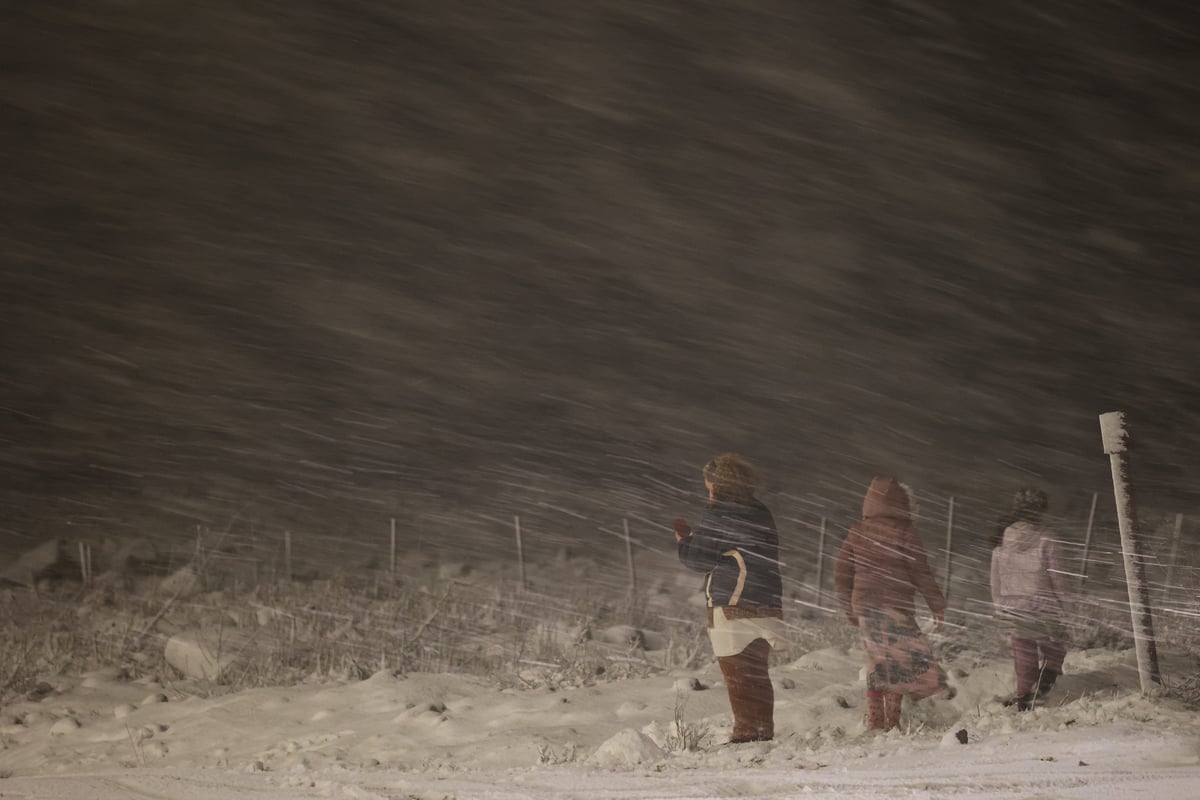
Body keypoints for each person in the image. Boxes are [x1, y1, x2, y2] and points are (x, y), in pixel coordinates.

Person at [675, 453, 785, 744]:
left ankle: (747, 735)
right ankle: (762, 732)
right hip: (767, 599)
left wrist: (685, 542)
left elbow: (700, 559)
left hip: (735, 601)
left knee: (737, 674)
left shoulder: (721, 512)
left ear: (718, 485)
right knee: (757, 674)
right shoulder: (760, 510)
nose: (707, 490)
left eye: (709, 485)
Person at [834, 477, 949, 732]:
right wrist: (936, 604)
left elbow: (841, 572)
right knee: (897, 663)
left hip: (866, 609)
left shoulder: (857, 532)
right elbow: (921, 573)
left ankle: (876, 721)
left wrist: (849, 607)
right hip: (896, 607)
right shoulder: (905, 533)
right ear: (902, 505)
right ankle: (892, 721)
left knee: (877, 661)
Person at [990, 487, 1069, 710]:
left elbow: (994, 577)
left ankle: (1025, 695)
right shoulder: (1048, 539)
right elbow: (1058, 578)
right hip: (1044, 606)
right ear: (1040, 510)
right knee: (1056, 648)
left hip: (1013, 605)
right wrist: (1067, 605)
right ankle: (1043, 685)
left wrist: (999, 604)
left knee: (1024, 652)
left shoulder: (1001, 538)